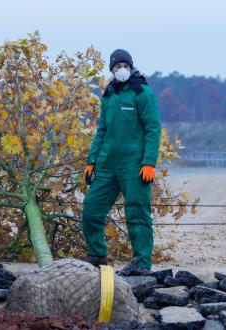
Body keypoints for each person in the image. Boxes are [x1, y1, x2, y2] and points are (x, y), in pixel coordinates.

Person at [81, 49, 161, 272]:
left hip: (134, 166)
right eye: (117, 67)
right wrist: (92, 161)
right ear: (112, 70)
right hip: (107, 164)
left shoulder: (142, 93)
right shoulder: (109, 95)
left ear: (131, 67)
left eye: (125, 66)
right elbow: (102, 130)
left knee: (137, 212)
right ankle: (97, 255)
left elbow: (153, 129)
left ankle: (142, 263)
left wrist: (149, 163)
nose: (121, 70)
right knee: (91, 209)